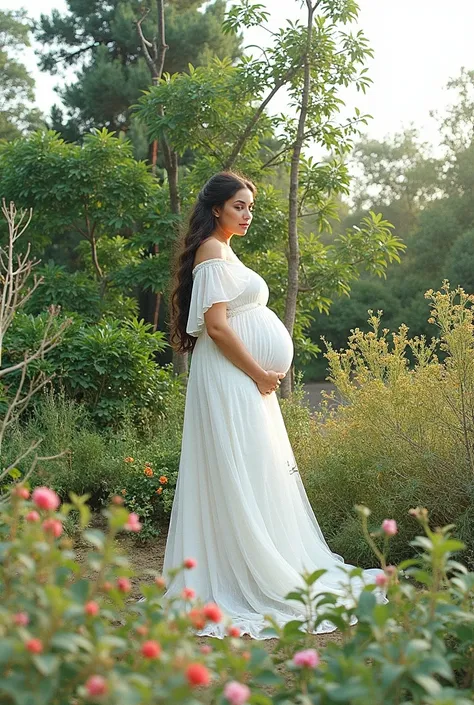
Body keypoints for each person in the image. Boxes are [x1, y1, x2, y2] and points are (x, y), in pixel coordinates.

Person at [162, 170, 386, 639]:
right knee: (238, 464)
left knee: (253, 464)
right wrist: (260, 372)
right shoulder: (211, 251)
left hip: (241, 376)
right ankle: (239, 572)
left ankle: (255, 555)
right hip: (231, 375)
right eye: (239, 206)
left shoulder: (225, 251)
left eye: (250, 207)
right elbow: (218, 327)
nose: (246, 214)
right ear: (217, 208)